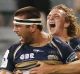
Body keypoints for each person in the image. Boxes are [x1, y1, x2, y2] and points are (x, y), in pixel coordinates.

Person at [0, 6, 78, 74]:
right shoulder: (13, 50)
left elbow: (78, 67)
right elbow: (3, 72)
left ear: (32, 27)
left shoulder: (58, 45)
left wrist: (51, 69)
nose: (14, 30)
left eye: (18, 26)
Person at [30, 4, 80, 74]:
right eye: (48, 17)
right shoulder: (38, 46)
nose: (50, 18)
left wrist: (50, 69)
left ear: (66, 23)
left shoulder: (76, 44)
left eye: (56, 16)